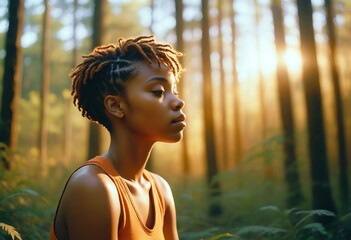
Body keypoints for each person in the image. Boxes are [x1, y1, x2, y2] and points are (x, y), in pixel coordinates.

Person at [50, 35, 186, 240]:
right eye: (158, 91)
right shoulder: (93, 187)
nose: (178, 102)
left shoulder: (160, 190)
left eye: (173, 91)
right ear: (116, 106)